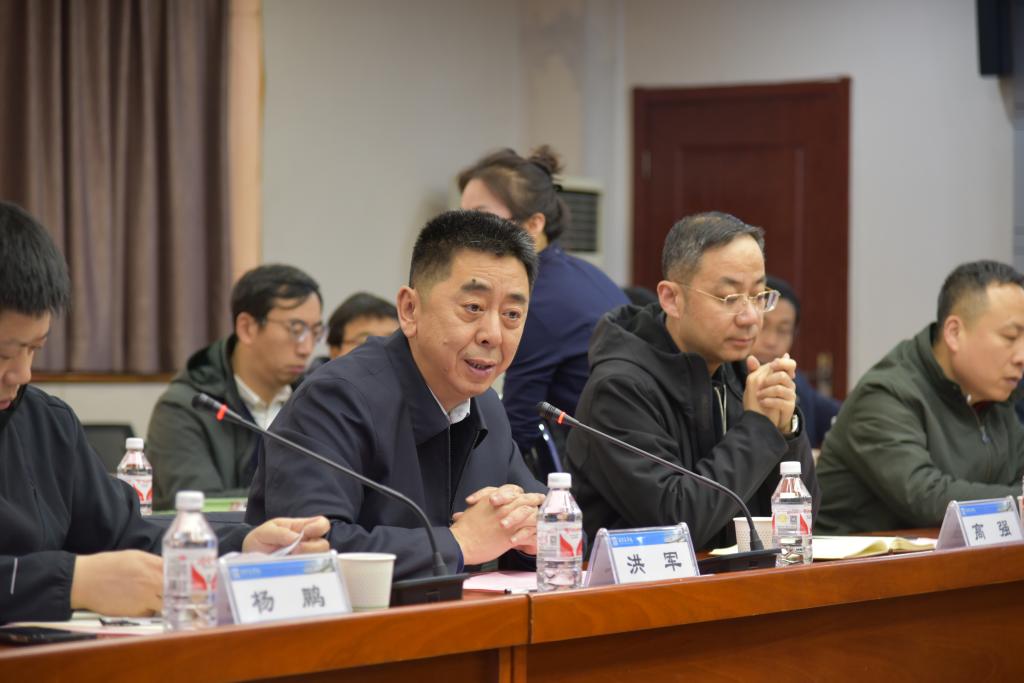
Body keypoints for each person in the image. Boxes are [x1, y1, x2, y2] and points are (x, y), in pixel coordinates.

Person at [0, 201, 329, 622]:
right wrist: (75, 582)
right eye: (5, 353)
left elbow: (128, 533)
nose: (22, 374)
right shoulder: (186, 405)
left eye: (34, 349)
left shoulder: (48, 425)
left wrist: (243, 546)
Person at [247, 210, 547, 580]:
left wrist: (534, 535)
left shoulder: (486, 406)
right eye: (473, 308)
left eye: (512, 314)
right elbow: (308, 549)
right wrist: (459, 544)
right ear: (409, 310)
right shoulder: (335, 399)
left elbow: (541, 515)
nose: (493, 335)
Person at [565, 212, 819, 551]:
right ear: (672, 298)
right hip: (641, 580)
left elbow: (800, 522)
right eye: (729, 298)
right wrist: (759, 427)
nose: (750, 317)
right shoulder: (619, 389)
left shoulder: (742, 373)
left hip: (738, 576)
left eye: (759, 295)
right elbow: (680, 525)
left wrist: (786, 431)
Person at [816, 261, 1024, 534]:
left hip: (960, 557)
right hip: (855, 559)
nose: (1021, 356)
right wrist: (1017, 502)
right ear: (954, 333)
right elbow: (925, 497)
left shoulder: (994, 395)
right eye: (1010, 337)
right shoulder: (885, 395)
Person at [458, 146, 629, 459]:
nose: (466, 235)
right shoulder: (580, 272)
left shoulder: (534, 300)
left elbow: (517, 430)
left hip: (602, 466)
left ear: (534, 224)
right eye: (462, 219)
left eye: (481, 218)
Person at [147, 264, 323, 510]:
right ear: (247, 328)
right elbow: (200, 506)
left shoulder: (315, 403)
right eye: (296, 329)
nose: (307, 348)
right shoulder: (185, 407)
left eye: (315, 332)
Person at [750, 276, 841, 448]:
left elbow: (843, 417)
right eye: (763, 326)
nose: (771, 341)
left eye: (783, 330)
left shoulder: (796, 383)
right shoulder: (724, 381)